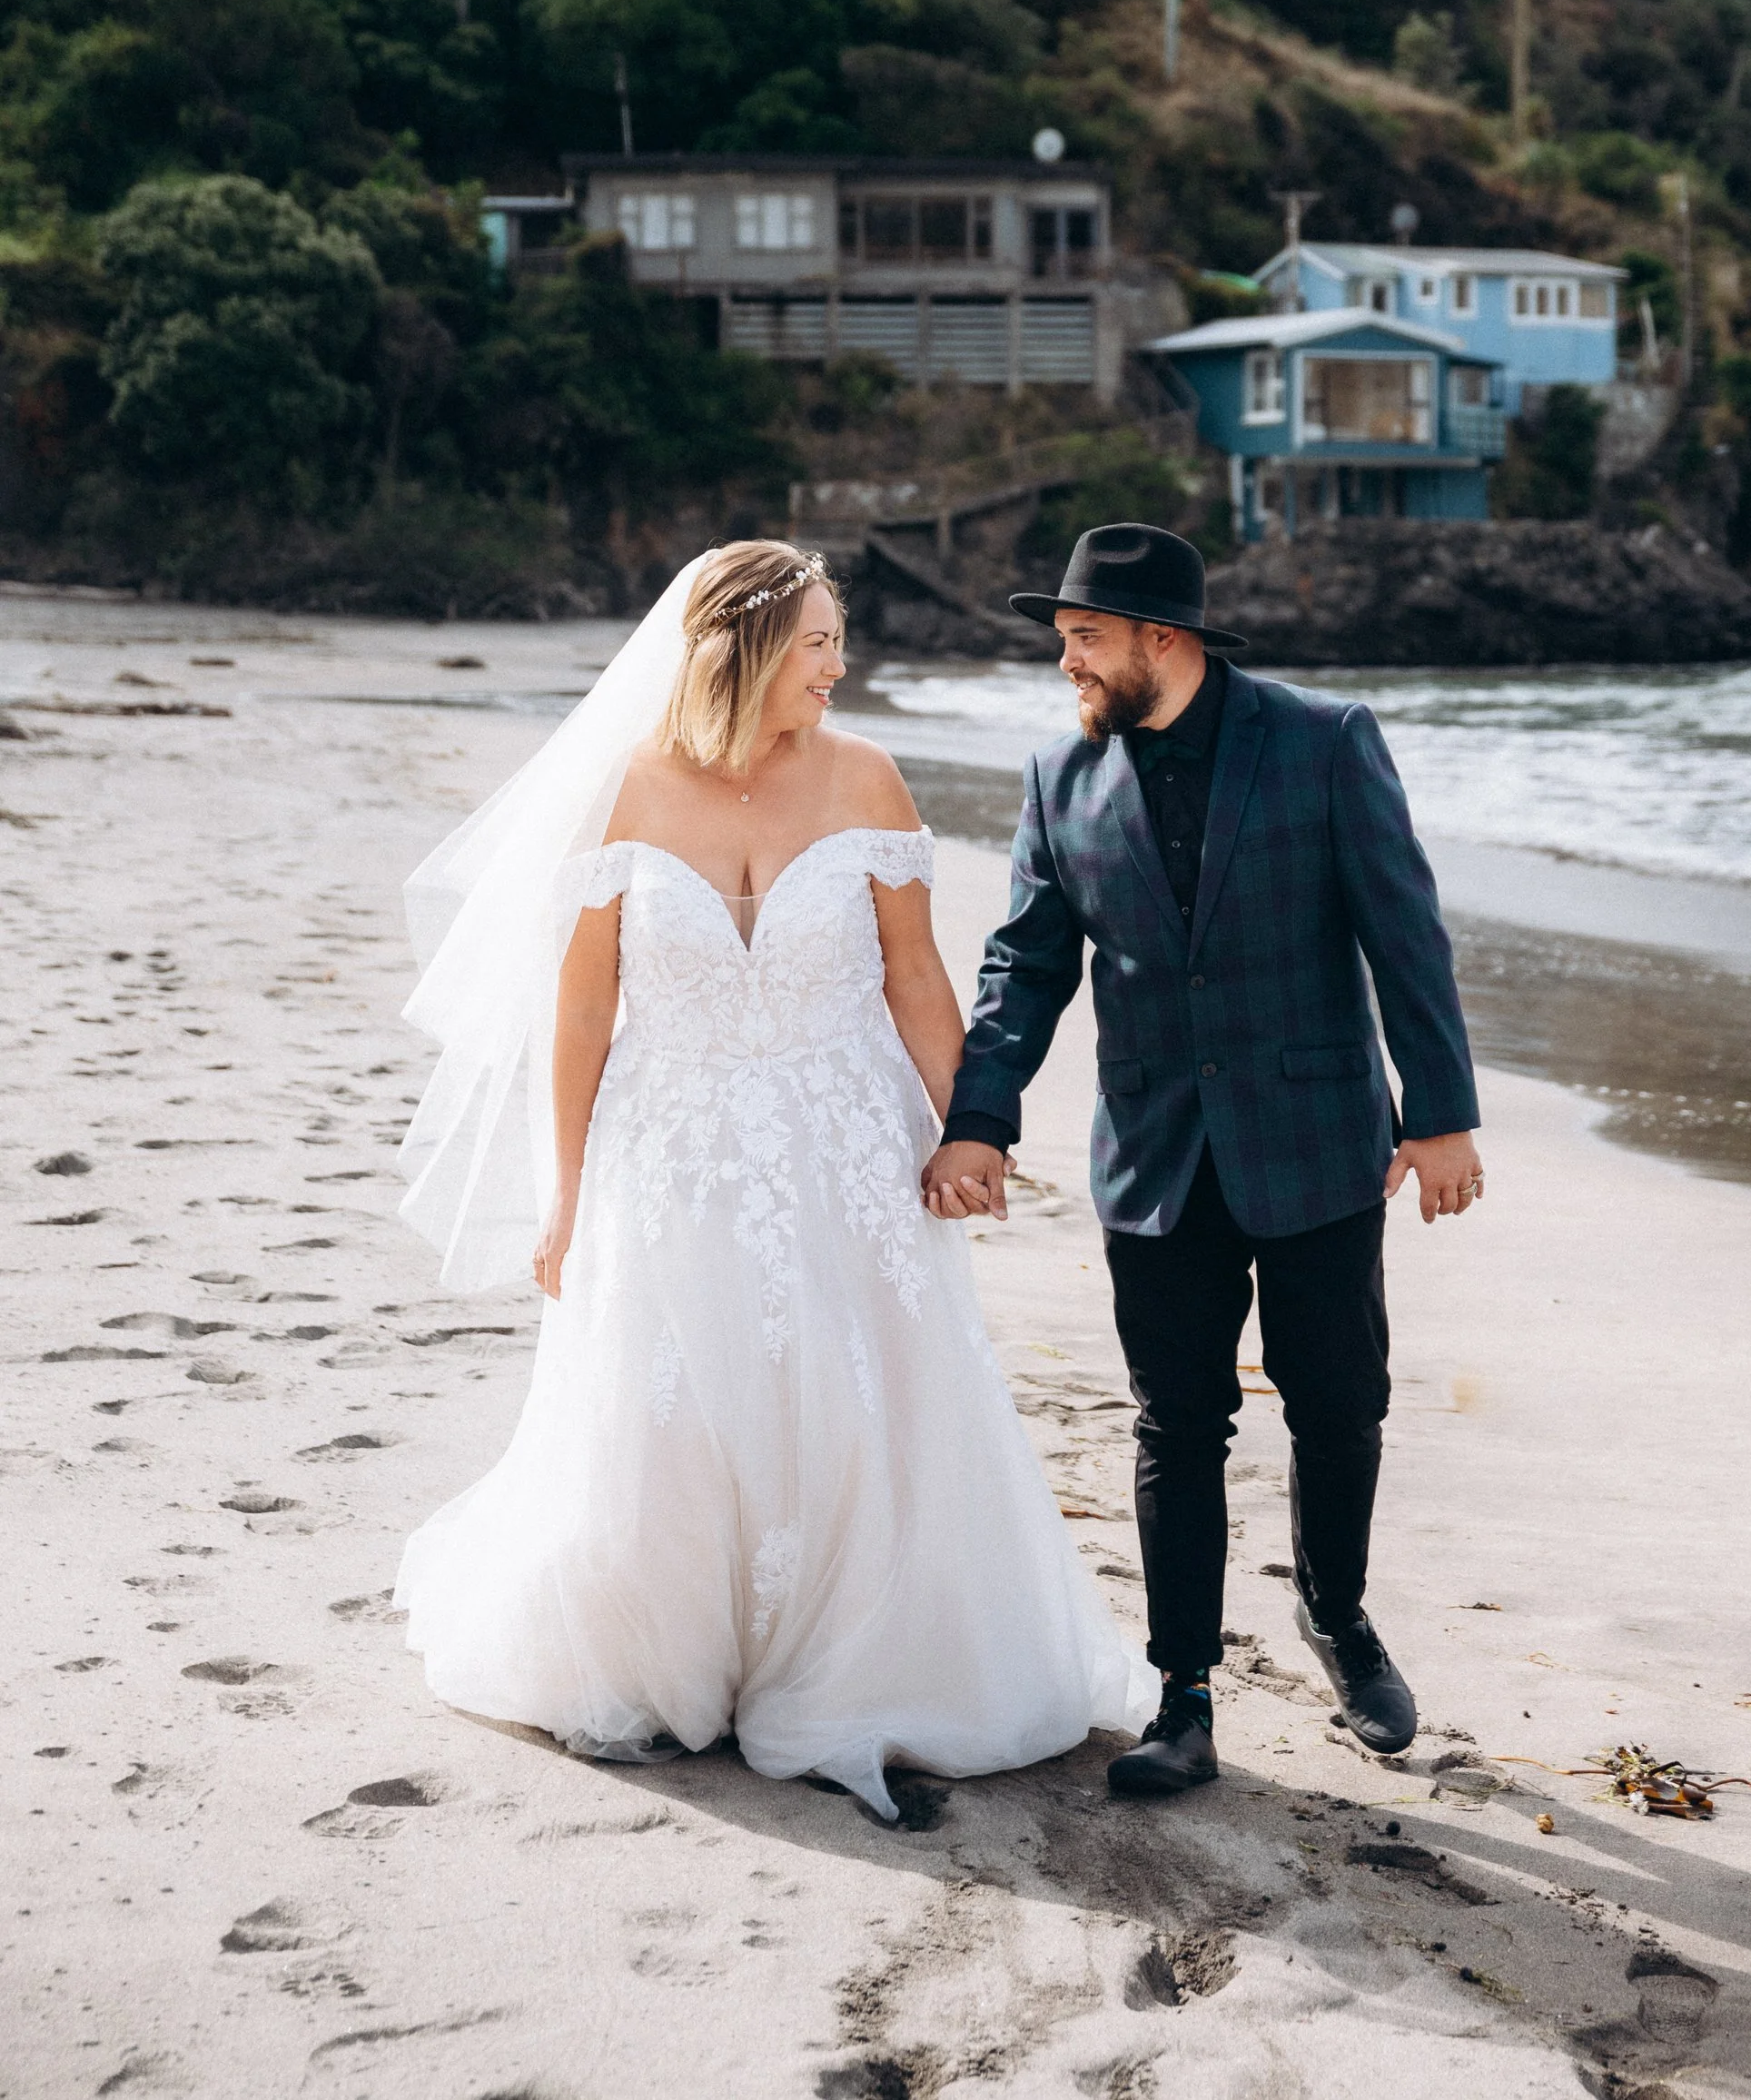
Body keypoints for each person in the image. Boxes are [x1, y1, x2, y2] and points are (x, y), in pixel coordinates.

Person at [392, 541, 1144, 1820]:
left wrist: (975, 1130)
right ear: (739, 649)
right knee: (669, 1408)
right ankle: (671, 1663)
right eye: (814, 642)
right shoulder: (622, 792)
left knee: (855, 1404)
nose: (839, 665)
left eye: (836, 638)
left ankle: (857, 1668)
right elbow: (582, 1013)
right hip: (668, 1144)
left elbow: (914, 975)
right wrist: (565, 1190)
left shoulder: (866, 774)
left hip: (846, 1146)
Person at [923, 522, 1483, 1801]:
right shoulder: (1061, 779)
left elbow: (1407, 933)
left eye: (1083, 640)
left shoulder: (1322, 742)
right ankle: (1182, 1698)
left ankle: (1336, 1617)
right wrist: (980, 1119)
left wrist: (1440, 1111)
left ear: (1158, 641)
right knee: (1179, 1423)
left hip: (1321, 1143)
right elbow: (1023, 970)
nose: (1066, 663)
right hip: (1156, 1155)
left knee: (1339, 1400)